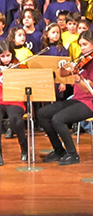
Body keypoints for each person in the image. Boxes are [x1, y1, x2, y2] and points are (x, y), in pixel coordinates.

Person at [38, 30, 93, 165]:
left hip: (90, 102)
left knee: (58, 119)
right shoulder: (82, 59)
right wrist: (61, 66)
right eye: (80, 45)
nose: (82, 48)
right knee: (43, 113)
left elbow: (89, 88)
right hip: (77, 99)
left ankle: (73, 154)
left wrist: (77, 77)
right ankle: (59, 150)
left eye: (85, 44)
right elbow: (63, 74)